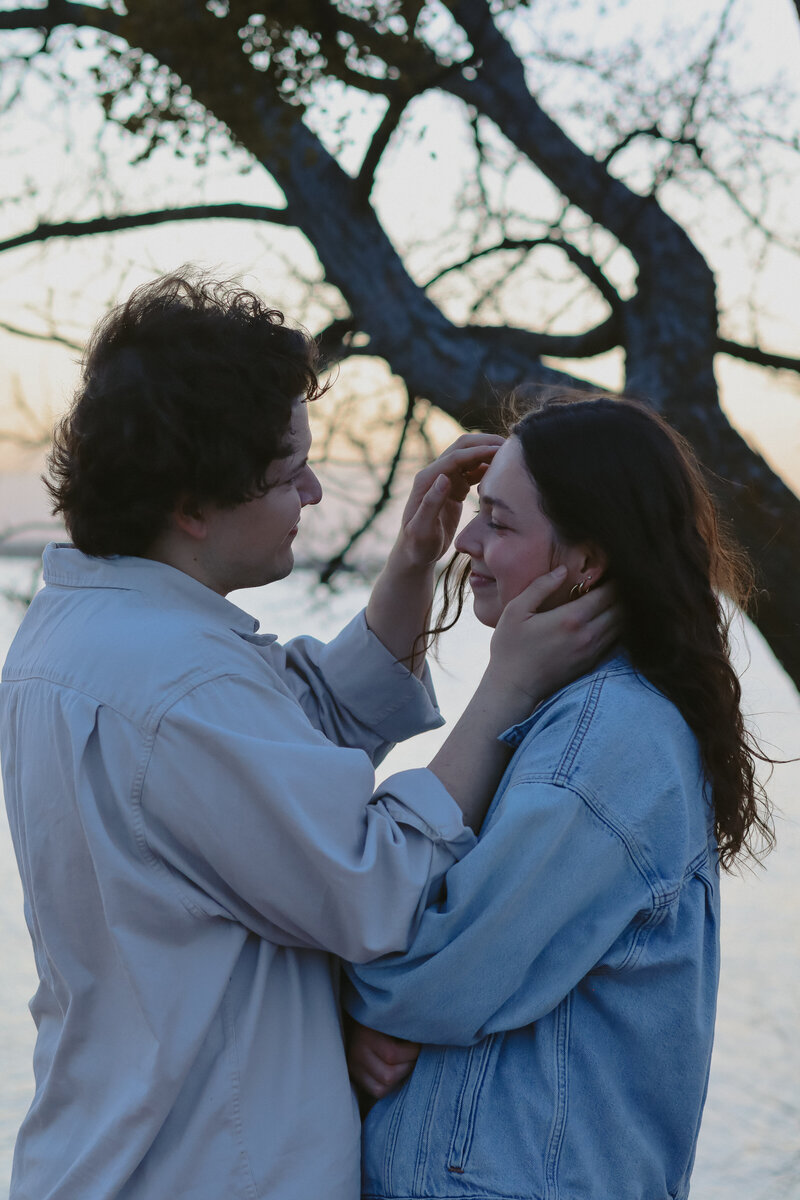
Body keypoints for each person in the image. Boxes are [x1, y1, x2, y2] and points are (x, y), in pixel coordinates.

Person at [0, 274, 617, 1200]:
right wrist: (506, 689)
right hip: (199, 1167)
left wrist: (413, 561)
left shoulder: (77, 631)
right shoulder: (182, 685)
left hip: (99, 1153)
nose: (316, 491)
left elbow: (290, 741)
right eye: (291, 472)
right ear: (193, 503)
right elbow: (374, 882)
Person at [345, 391, 774, 1200]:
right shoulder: (577, 717)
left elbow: (436, 972)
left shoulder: (607, 739)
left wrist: (345, 999)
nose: (467, 540)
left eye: (500, 523)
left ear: (587, 561)